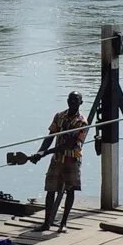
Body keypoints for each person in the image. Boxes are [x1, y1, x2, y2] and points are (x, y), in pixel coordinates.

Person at [28, 90, 89, 230]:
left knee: (70, 190)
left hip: (72, 159)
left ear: (81, 102)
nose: (72, 102)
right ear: (67, 101)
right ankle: (46, 223)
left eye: (75, 100)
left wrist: (45, 153)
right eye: (70, 99)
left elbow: (69, 144)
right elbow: (50, 136)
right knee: (50, 189)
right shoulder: (59, 116)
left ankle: (63, 223)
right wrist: (40, 151)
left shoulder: (82, 122)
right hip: (57, 159)